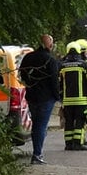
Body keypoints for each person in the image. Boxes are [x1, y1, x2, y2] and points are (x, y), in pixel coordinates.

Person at [18, 34, 60, 164]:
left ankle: (37, 152)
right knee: (41, 126)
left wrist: (30, 84)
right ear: (50, 45)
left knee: (37, 124)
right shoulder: (50, 61)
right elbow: (54, 81)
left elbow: (22, 73)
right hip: (46, 98)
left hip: (32, 96)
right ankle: (37, 154)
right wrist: (57, 96)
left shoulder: (28, 57)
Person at [60, 40, 87, 150]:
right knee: (80, 122)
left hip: (67, 100)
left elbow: (59, 83)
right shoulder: (84, 65)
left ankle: (68, 144)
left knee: (69, 122)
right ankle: (78, 143)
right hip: (81, 100)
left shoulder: (62, 66)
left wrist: (60, 97)